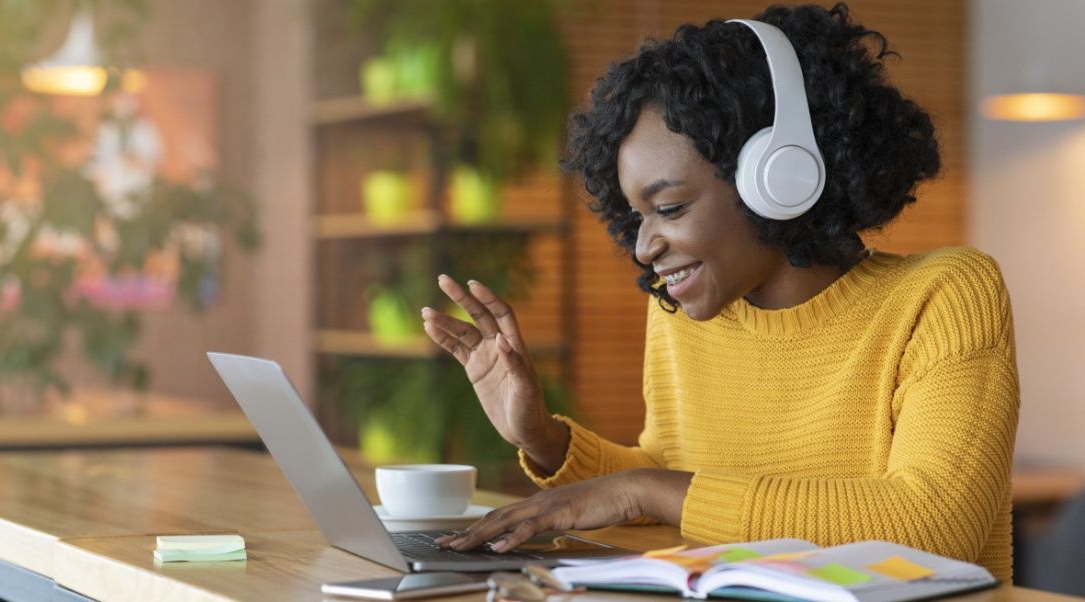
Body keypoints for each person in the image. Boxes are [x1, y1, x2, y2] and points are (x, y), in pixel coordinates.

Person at [420, 3, 1019, 582]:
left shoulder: (945, 296)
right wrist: (543, 438)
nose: (644, 247)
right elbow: (669, 477)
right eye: (637, 216)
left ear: (780, 175)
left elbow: (935, 526)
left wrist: (646, 490)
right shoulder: (685, 314)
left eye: (670, 207)